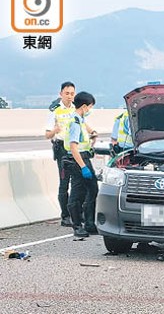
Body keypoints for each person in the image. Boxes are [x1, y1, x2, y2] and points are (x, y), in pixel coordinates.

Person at [63, 91, 99, 237]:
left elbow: (84, 140)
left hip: (84, 158)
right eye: (90, 107)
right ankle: (77, 226)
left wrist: (92, 139)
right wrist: (83, 167)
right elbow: (73, 147)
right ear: (84, 106)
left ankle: (90, 223)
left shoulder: (81, 120)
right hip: (76, 160)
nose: (90, 110)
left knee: (93, 189)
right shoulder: (75, 122)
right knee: (77, 193)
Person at [44, 81, 76, 227]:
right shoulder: (55, 111)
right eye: (67, 93)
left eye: (72, 94)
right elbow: (47, 135)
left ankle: (77, 213)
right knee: (64, 183)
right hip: (62, 149)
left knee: (78, 182)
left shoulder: (76, 108)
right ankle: (65, 216)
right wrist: (54, 131)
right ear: (61, 94)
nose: (69, 96)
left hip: (75, 148)